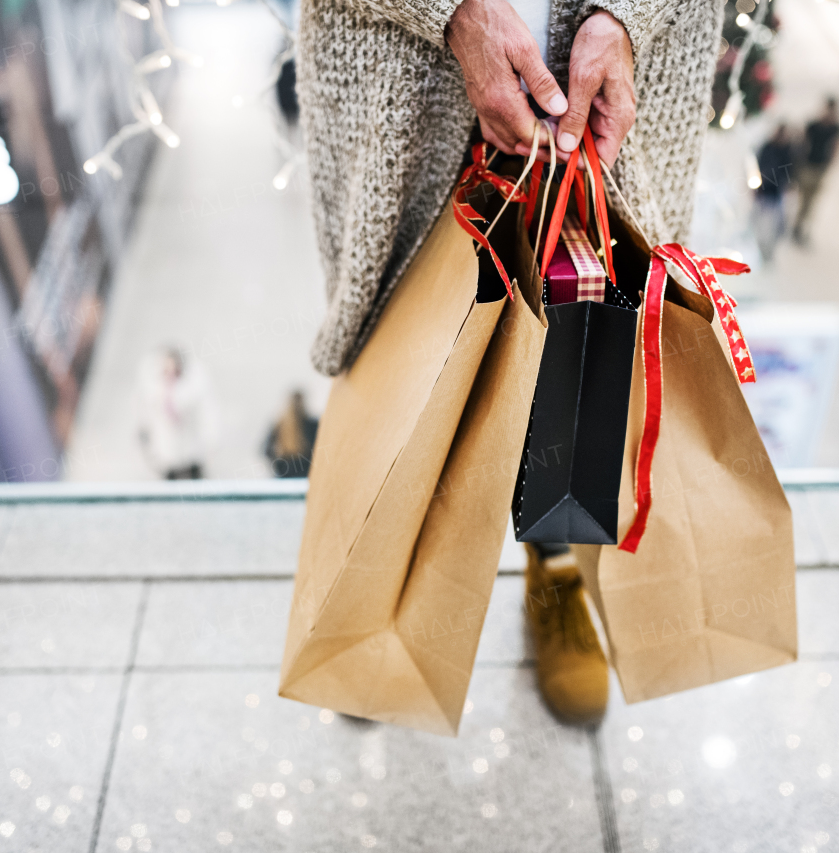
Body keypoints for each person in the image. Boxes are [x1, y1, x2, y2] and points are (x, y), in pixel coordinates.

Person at [299, 0, 723, 725]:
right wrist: (446, 10)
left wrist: (626, 15)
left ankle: (553, 567)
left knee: (576, 366)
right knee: (407, 360)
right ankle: (379, 584)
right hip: (400, 78)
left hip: (602, 106)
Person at [136, 346, 219, 480]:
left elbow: (206, 417)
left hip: (192, 452)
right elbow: (147, 422)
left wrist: (208, 446)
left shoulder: (192, 388)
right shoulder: (155, 390)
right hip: (167, 455)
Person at [792, 97, 839, 245]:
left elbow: (836, 148)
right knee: (804, 198)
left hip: (820, 168)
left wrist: (829, 166)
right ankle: (798, 225)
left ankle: (801, 226)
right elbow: (803, 143)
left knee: (811, 201)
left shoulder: (836, 129)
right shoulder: (813, 126)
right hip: (808, 165)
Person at [752, 123, 796, 262]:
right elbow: (757, 164)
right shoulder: (767, 147)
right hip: (763, 191)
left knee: (774, 227)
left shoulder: (789, 151)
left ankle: (768, 252)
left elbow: (790, 172)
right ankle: (755, 247)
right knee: (757, 222)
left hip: (776, 194)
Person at [264, 390, 319, 478]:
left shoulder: (278, 425)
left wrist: (279, 466)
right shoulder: (311, 425)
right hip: (305, 476)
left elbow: (266, 450)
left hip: (284, 477)